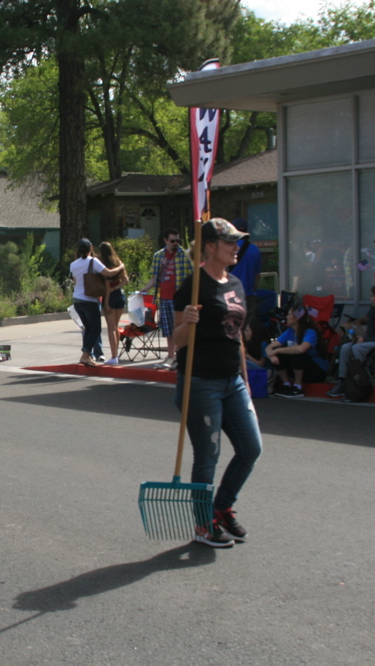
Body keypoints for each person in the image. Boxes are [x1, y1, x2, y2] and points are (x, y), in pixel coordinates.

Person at [173, 218, 262, 548]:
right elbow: (177, 341)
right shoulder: (193, 286)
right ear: (210, 246)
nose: (236, 246)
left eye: (237, 241)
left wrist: (245, 380)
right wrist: (189, 323)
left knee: (251, 448)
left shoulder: (235, 283)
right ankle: (203, 523)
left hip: (232, 382)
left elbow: (236, 337)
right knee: (208, 456)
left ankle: (222, 507)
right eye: (230, 242)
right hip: (200, 383)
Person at [327, 284, 375, 398]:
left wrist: (365, 340)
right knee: (346, 347)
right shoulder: (374, 311)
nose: (370, 298)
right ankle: (342, 380)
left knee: (357, 348)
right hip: (373, 340)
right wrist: (361, 336)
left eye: (372, 296)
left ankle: (359, 381)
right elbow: (370, 331)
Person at [142, 228, 194, 370]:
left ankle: (180, 357)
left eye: (178, 241)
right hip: (164, 297)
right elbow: (154, 277)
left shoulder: (185, 255)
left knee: (180, 327)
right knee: (168, 330)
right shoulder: (159, 256)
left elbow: (194, 276)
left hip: (180, 299)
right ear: (165, 240)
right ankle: (171, 356)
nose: (175, 243)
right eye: (172, 241)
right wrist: (145, 289)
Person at [70, 239, 124, 366]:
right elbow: (109, 273)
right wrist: (121, 266)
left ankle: (87, 355)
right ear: (91, 248)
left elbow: (74, 281)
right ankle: (85, 355)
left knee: (88, 329)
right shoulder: (93, 262)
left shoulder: (73, 264)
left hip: (77, 300)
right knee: (95, 329)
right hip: (89, 300)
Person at [265, 305, 329, 397]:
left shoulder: (310, 332)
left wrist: (277, 351)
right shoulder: (290, 331)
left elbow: (302, 349)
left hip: (316, 372)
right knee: (280, 353)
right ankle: (286, 385)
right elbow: (270, 347)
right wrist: (272, 355)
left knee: (296, 352)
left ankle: (297, 388)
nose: (286, 317)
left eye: (289, 314)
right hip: (301, 369)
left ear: (296, 318)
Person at [98, 242, 129, 365]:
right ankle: (115, 354)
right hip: (120, 296)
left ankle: (113, 356)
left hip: (109, 297)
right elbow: (126, 280)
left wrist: (106, 301)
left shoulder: (104, 266)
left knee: (111, 328)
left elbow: (106, 285)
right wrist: (116, 288)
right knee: (116, 327)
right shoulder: (118, 263)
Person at [229, 217, 262, 317]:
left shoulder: (228, 249)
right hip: (248, 295)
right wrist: (253, 291)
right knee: (248, 329)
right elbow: (257, 276)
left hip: (230, 295)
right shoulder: (255, 250)